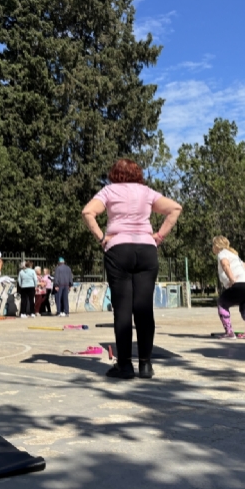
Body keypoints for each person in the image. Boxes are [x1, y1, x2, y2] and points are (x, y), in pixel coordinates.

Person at [82, 158, 182, 379]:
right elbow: (175, 208)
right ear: (138, 173)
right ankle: (145, 365)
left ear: (114, 174)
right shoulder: (147, 192)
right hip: (146, 249)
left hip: (119, 249)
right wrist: (159, 236)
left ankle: (125, 365)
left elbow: (88, 212)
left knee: (123, 309)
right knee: (144, 309)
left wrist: (102, 238)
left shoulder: (108, 191)